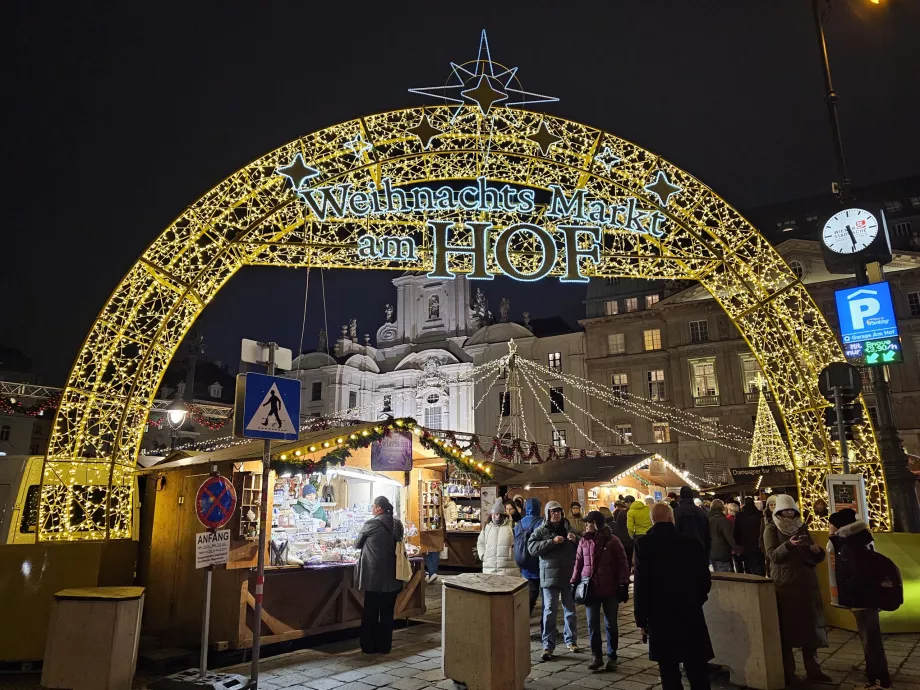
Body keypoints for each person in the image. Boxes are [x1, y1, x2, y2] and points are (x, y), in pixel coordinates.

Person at [634, 503, 713, 690]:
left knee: (668, 671)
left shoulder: (644, 544)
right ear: (671, 518)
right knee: (697, 668)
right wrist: (697, 599)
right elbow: (704, 580)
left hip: (659, 616)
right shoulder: (691, 543)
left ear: (652, 520)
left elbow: (641, 585)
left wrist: (641, 620)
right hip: (690, 612)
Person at [764, 494, 831, 685]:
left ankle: (814, 670)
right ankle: (789, 673)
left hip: (807, 583)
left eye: (791, 511)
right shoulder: (771, 528)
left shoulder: (802, 526)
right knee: (788, 630)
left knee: (810, 628)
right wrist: (788, 545)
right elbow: (772, 556)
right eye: (785, 511)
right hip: (786, 585)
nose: (789, 514)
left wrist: (817, 551)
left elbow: (813, 554)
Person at [828, 509, 892, 690]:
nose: (828, 527)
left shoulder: (851, 545)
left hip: (862, 599)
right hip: (865, 598)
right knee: (871, 640)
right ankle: (876, 678)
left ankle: (879, 681)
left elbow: (860, 574)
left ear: (840, 526)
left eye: (831, 524)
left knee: (870, 642)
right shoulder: (857, 539)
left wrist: (846, 588)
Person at [571, 510, 630, 671]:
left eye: (589, 523)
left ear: (596, 524)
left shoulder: (613, 541)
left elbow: (623, 563)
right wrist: (574, 582)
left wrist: (623, 584)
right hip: (590, 588)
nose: (586, 525)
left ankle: (612, 656)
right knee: (592, 625)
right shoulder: (584, 541)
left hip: (610, 589)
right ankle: (596, 656)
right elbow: (578, 562)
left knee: (611, 624)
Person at [528, 501, 581, 660]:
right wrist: (551, 542)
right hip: (549, 577)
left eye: (558, 511)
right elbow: (532, 548)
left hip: (568, 576)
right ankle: (547, 645)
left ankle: (571, 641)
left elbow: (584, 544)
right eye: (552, 511)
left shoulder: (569, 528)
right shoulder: (541, 530)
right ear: (547, 513)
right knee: (549, 612)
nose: (555, 514)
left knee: (570, 611)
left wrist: (576, 539)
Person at [354, 496, 405, 655]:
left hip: (374, 576)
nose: (372, 509)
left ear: (379, 508)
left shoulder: (372, 523)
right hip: (393, 575)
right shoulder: (397, 524)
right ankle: (385, 646)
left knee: (371, 612)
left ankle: (368, 646)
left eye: (373, 506)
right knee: (387, 613)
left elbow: (357, 543)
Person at [515, 497, 544, 641]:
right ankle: (545, 627)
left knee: (529, 598)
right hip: (540, 565)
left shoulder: (519, 523)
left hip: (525, 566)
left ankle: (521, 624)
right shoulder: (541, 522)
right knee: (546, 599)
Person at [478, 500, 519, 576]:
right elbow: (480, 542)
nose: (493, 516)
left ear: (502, 515)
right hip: (489, 569)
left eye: (496, 514)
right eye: (492, 514)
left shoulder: (513, 526)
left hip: (508, 569)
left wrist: (513, 555)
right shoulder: (487, 527)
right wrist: (483, 555)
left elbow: (519, 544)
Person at [673, 486, 711, 556]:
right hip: (699, 551)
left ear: (681, 496)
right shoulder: (701, 512)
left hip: (682, 552)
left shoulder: (675, 512)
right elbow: (708, 535)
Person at [733, 497, 765, 576]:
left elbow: (736, 532)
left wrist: (738, 544)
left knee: (748, 568)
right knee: (759, 567)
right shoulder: (760, 515)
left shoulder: (739, 516)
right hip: (758, 546)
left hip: (745, 546)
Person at [709, 499, 737, 572]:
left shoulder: (708, 518)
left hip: (712, 552)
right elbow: (729, 537)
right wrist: (736, 548)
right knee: (725, 575)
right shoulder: (722, 520)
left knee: (718, 574)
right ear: (721, 507)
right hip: (722, 553)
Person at [609, 501, 635, 568]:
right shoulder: (628, 514)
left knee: (621, 561)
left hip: (620, 540)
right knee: (628, 560)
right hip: (629, 541)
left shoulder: (617, 515)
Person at [759, 494, 778, 577]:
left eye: (775, 504)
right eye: (771, 504)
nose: (773, 506)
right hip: (768, 548)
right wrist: (763, 548)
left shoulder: (781, 517)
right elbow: (761, 534)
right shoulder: (764, 518)